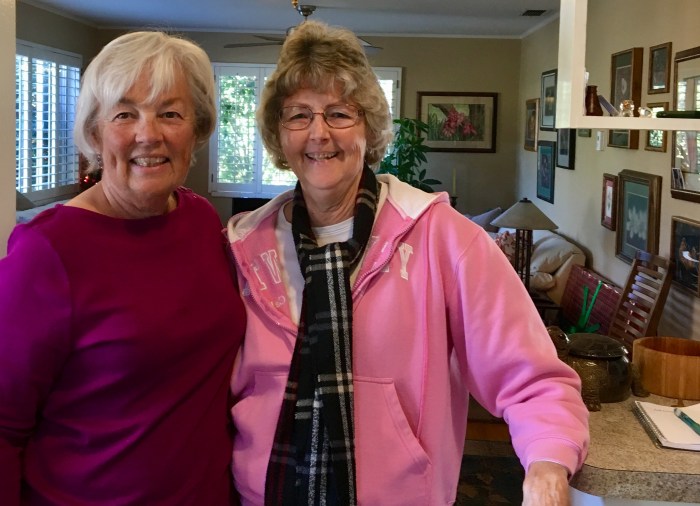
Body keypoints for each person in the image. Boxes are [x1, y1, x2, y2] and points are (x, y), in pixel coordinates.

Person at [226, 20, 589, 506]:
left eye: (339, 113)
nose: (318, 133)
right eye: (298, 115)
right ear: (278, 132)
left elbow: (531, 377)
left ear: (370, 128)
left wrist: (548, 460)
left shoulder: (444, 239)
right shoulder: (244, 246)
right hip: (263, 496)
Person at [0, 31, 246, 505]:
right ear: (95, 133)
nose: (148, 134)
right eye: (124, 114)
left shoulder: (200, 220)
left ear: (196, 130)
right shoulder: (45, 253)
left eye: (170, 113)